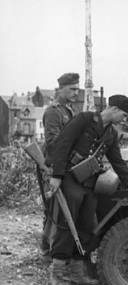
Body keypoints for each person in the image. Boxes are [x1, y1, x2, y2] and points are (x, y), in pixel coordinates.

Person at [47, 94, 128, 285]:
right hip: (69, 177)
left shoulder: (110, 134)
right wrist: (57, 175)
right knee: (67, 223)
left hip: (89, 182)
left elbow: (117, 161)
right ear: (113, 109)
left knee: (87, 225)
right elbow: (62, 144)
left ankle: (78, 272)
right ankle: (58, 273)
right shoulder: (84, 120)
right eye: (124, 114)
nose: (124, 119)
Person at [39, 73, 80, 263]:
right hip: (54, 166)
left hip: (65, 166)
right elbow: (52, 143)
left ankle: (48, 249)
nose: (76, 93)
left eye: (77, 89)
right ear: (60, 90)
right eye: (72, 89)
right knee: (54, 210)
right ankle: (48, 251)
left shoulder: (69, 110)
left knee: (57, 210)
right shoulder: (54, 111)